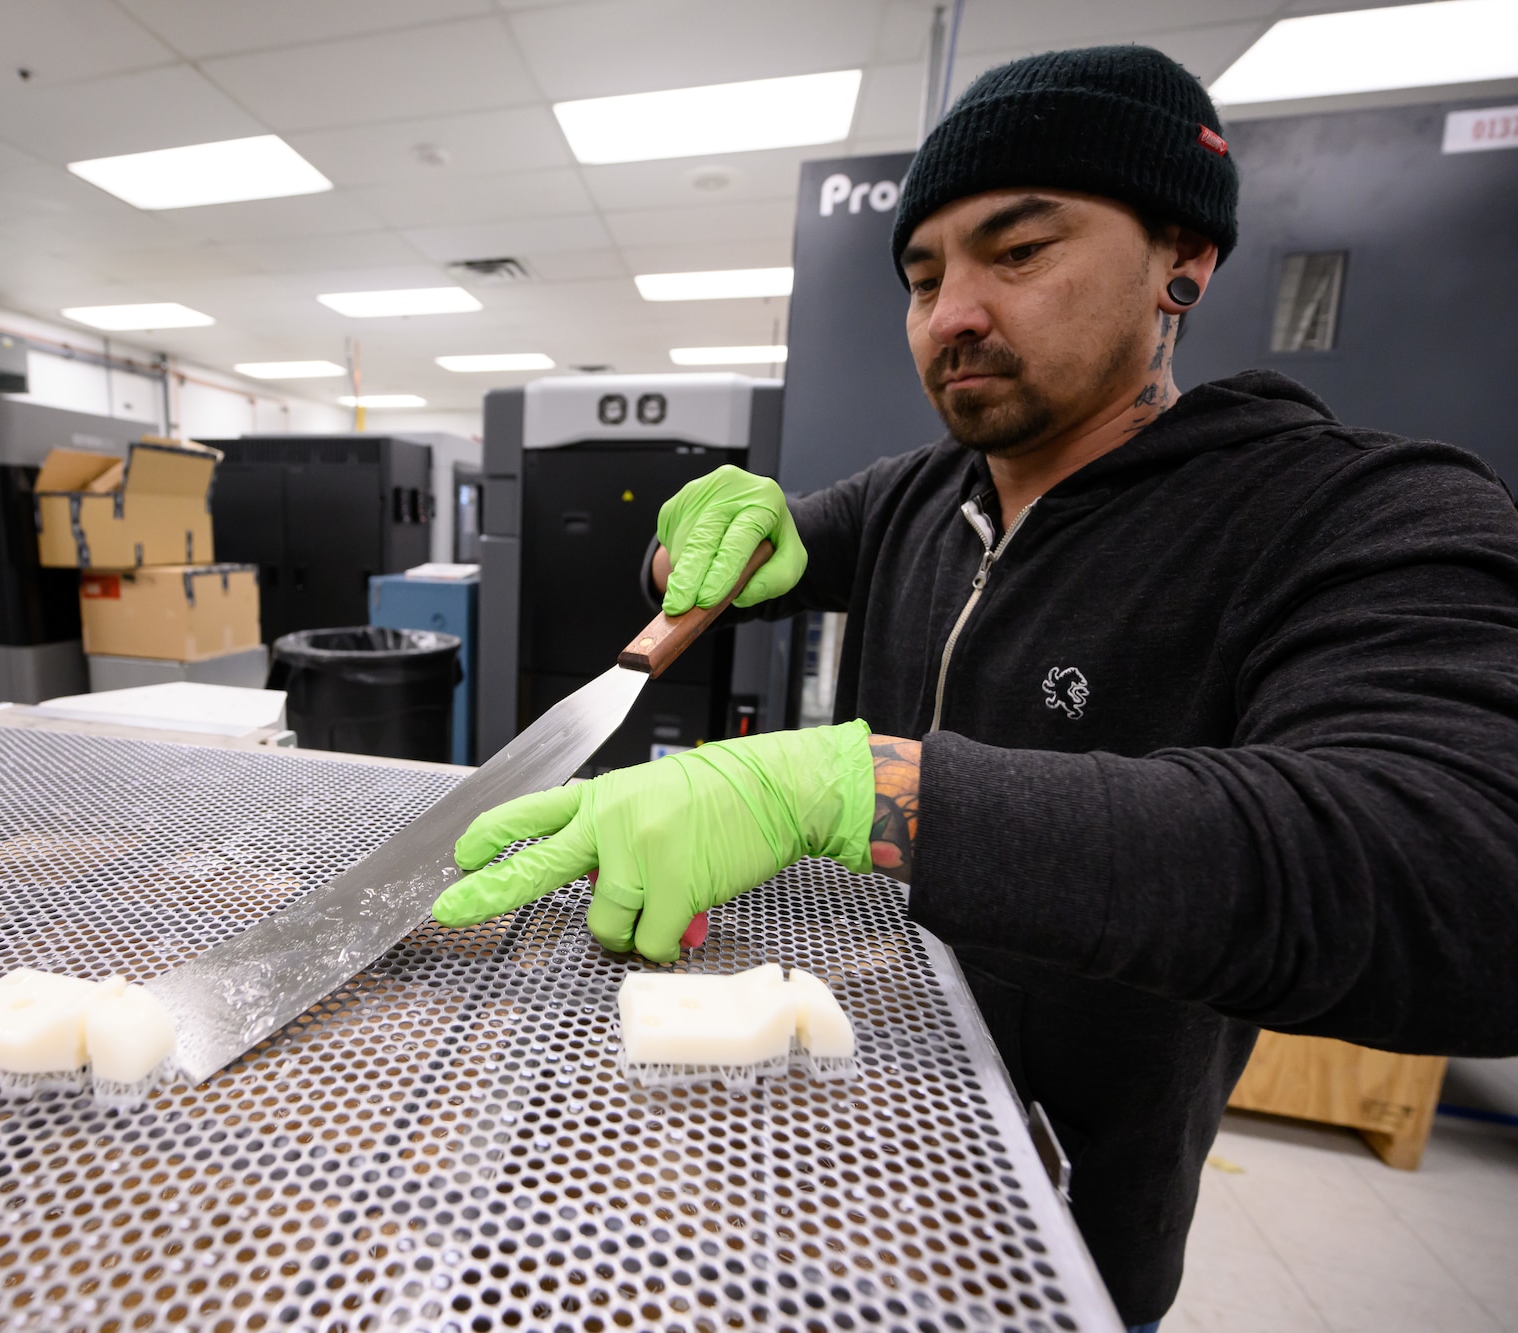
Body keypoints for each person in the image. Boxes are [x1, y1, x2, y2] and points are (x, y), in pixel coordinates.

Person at [430, 44, 1518, 1329]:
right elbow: (730, 558)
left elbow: (1466, 883)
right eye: (923, 273)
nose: (951, 314)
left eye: (1017, 252)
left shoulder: (1350, 513)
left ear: (1183, 258)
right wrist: (702, 530)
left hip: (1053, 1206)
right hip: (820, 1122)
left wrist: (850, 786)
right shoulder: (916, 498)